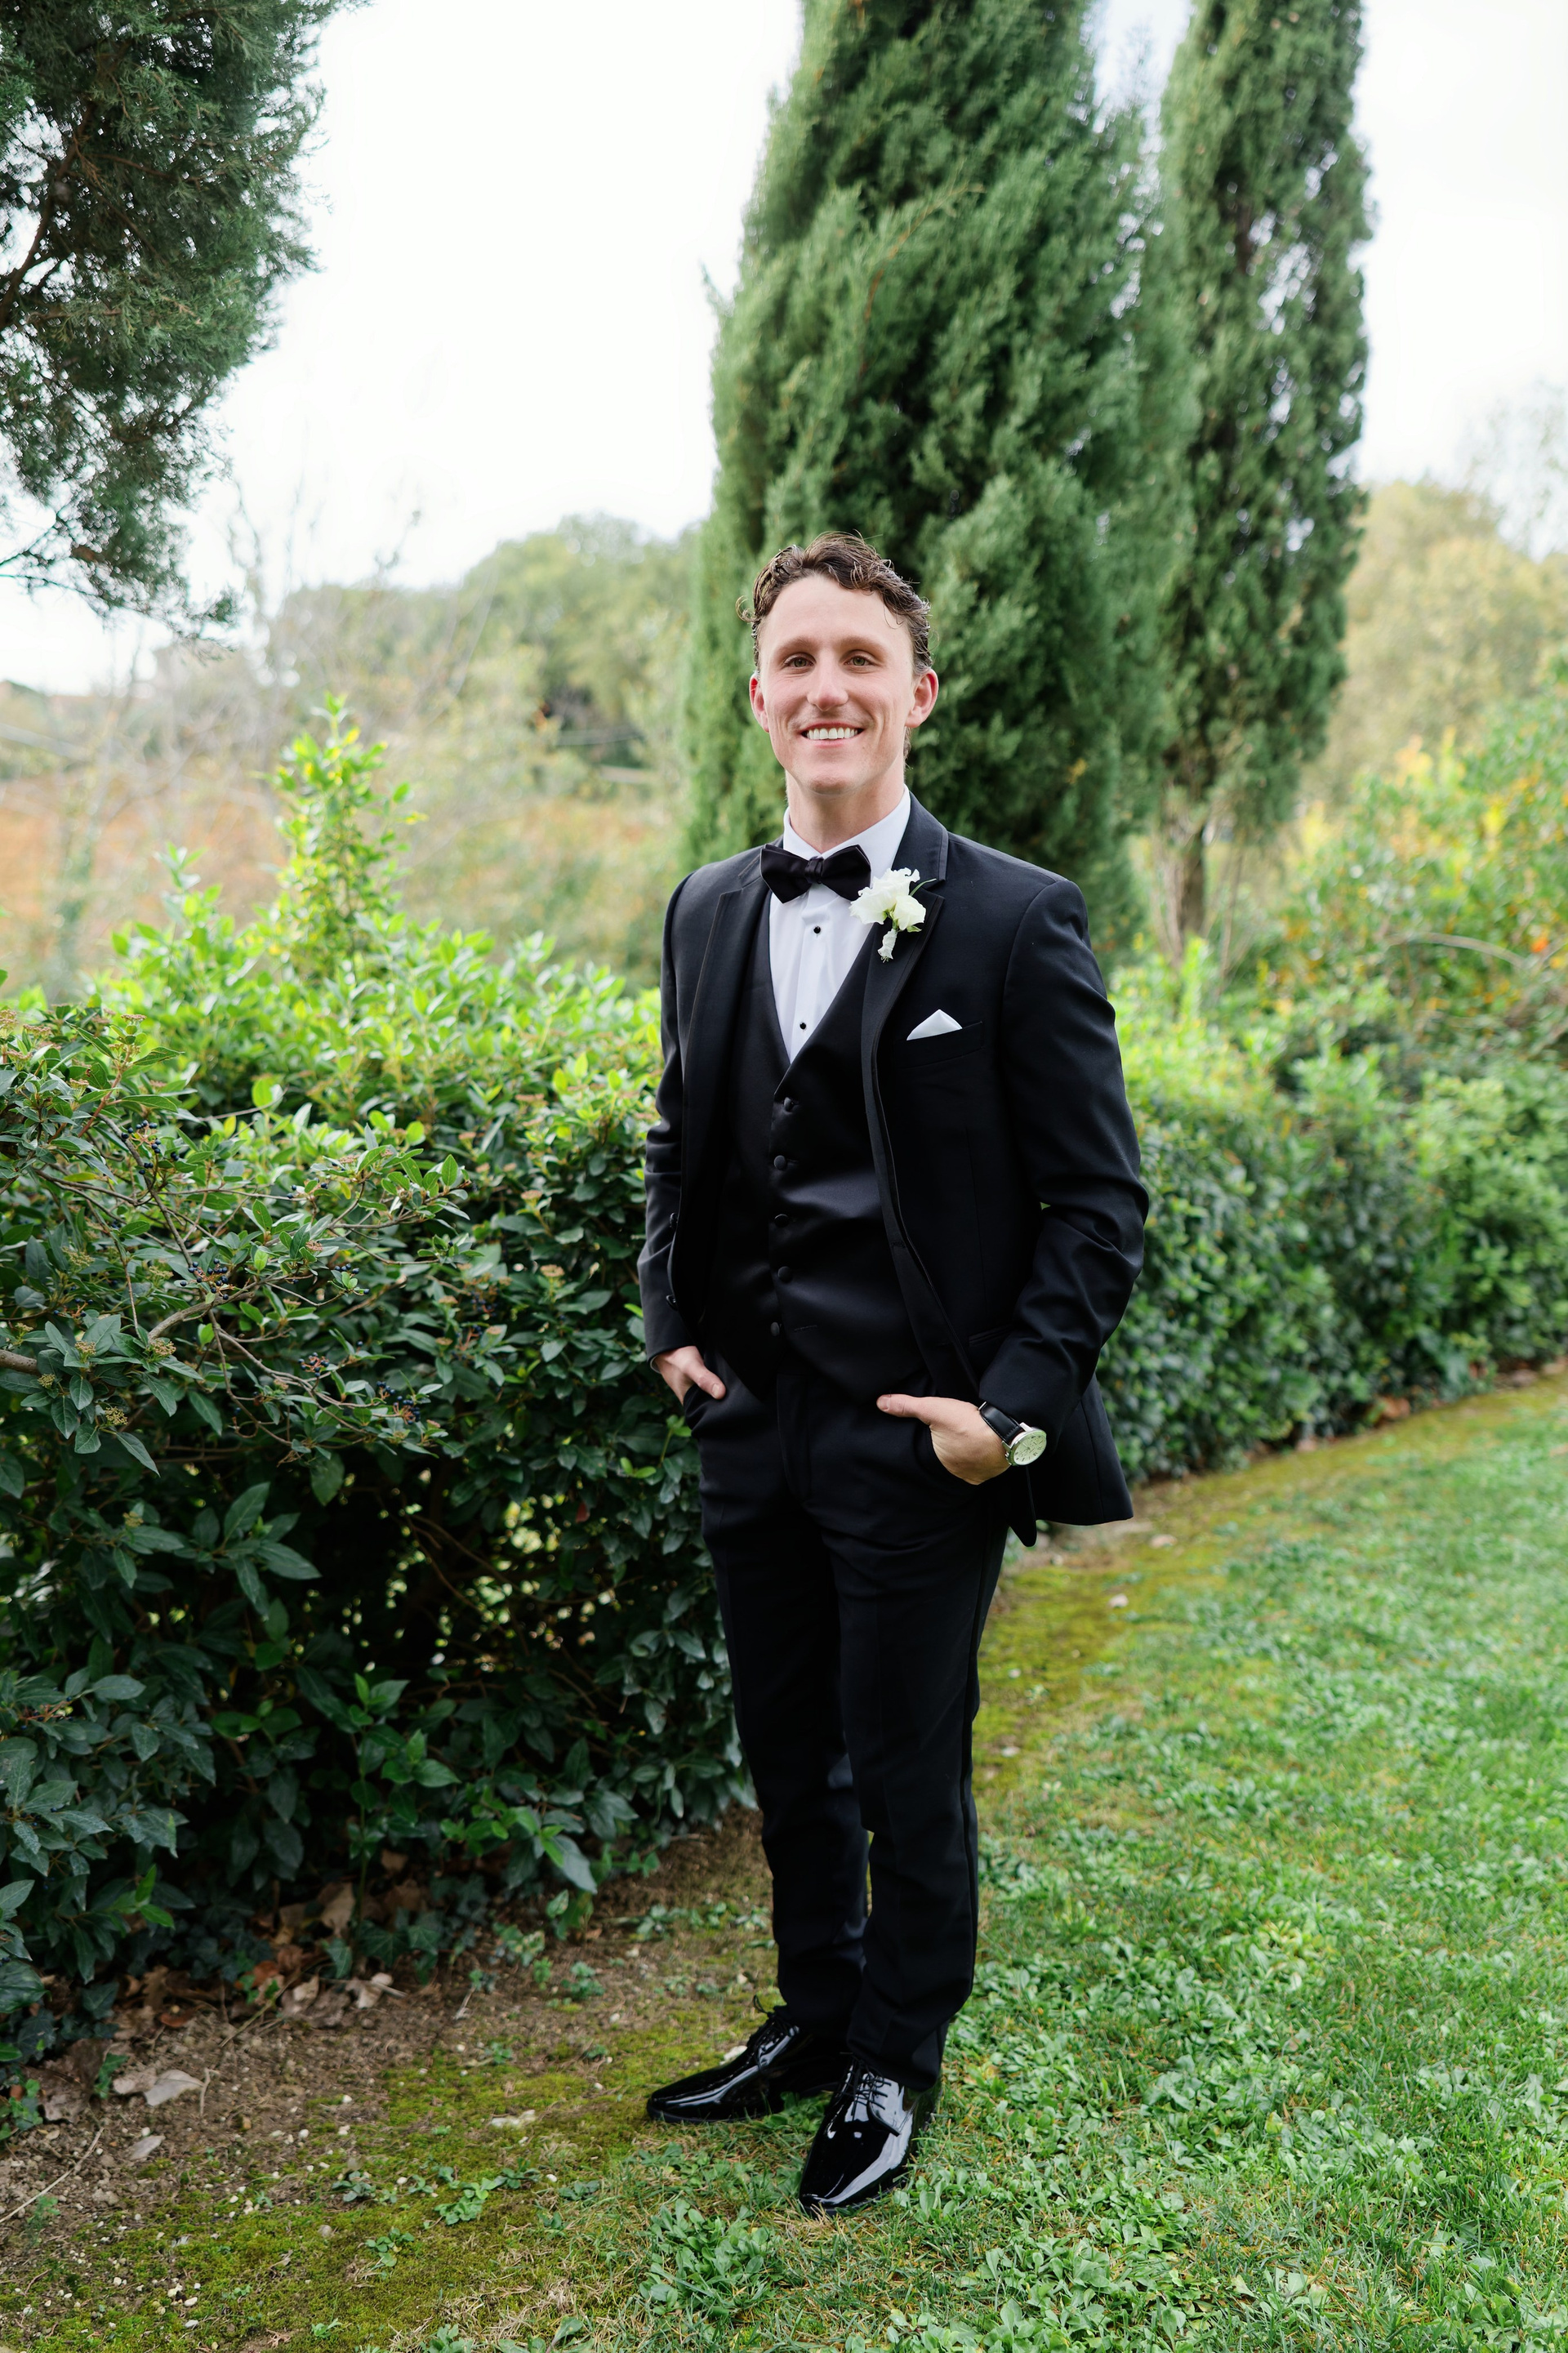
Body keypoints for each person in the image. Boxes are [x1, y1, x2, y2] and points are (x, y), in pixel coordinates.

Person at [638, 532, 1146, 2214]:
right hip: (749, 1421)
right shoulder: (706, 907)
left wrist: (1008, 1415)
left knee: (906, 1759)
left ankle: (894, 2055)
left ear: (916, 693)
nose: (828, 687)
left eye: (860, 658)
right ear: (759, 696)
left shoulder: (1013, 917)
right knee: (788, 1748)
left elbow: (1098, 1202)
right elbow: (681, 1135)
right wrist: (668, 1314)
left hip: (921, 1438)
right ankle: (814, 2011)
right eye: (798, 659)